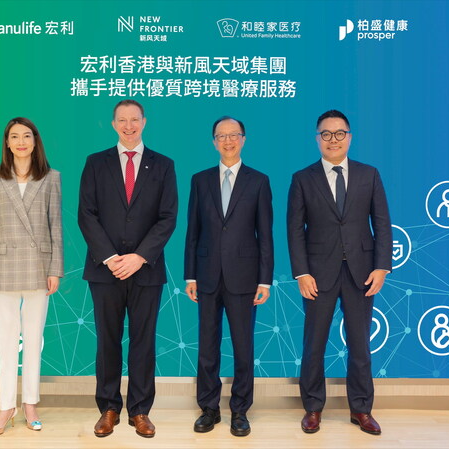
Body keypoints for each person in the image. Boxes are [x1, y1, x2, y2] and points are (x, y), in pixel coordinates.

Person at [287, 110, 392, 435]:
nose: (333, 139)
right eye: (326, 134)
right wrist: (302, 272)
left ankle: (361, 409)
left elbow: (382, 223)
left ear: (349, 137)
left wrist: (381, 266)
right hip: (318, 274)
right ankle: (313, 408)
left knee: (360, 344)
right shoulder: (302, 178)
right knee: (314, 343)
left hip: (362, 272)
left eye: (339, 133)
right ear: (317, 139)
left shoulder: (369, 174)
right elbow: (294, 230)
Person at [78, 99, 177, 438]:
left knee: (143, 341)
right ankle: (108, 408)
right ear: (113, 124)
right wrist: (110, 257)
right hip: (104, 270)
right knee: (107, 341)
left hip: (146, 270)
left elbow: (167, 218)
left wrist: (139, 257)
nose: (129, 125)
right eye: (123, 120)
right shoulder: (95, 163)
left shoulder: (163, 165)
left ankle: (140, 411)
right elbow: (86, 215)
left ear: (145, 122)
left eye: (135, 119)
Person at [184, 116, 274, 437]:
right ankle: (209, 408)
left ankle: (240, 410)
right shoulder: (200, 180)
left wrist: (265, 279)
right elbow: (192, 232)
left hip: (245, 278)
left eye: (233, 135)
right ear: (213, 142)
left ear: (243, 139)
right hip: (206, 276)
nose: (227, 141)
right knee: (207, 346)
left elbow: (265, 235)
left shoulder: (259, 181)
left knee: (242, 345)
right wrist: (189, 275)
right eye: (221, 136)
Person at [0, 117, 63, 436]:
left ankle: (30, 403)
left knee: (33, 341)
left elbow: (56, 225)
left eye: (26, 135)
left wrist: (55, 268)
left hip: (39, 267)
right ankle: (5, 407)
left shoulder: (51, 177)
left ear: (35, 140)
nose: (21, 141)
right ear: (7, 143)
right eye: (14, 136)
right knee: (5, 342)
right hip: (3, 267)